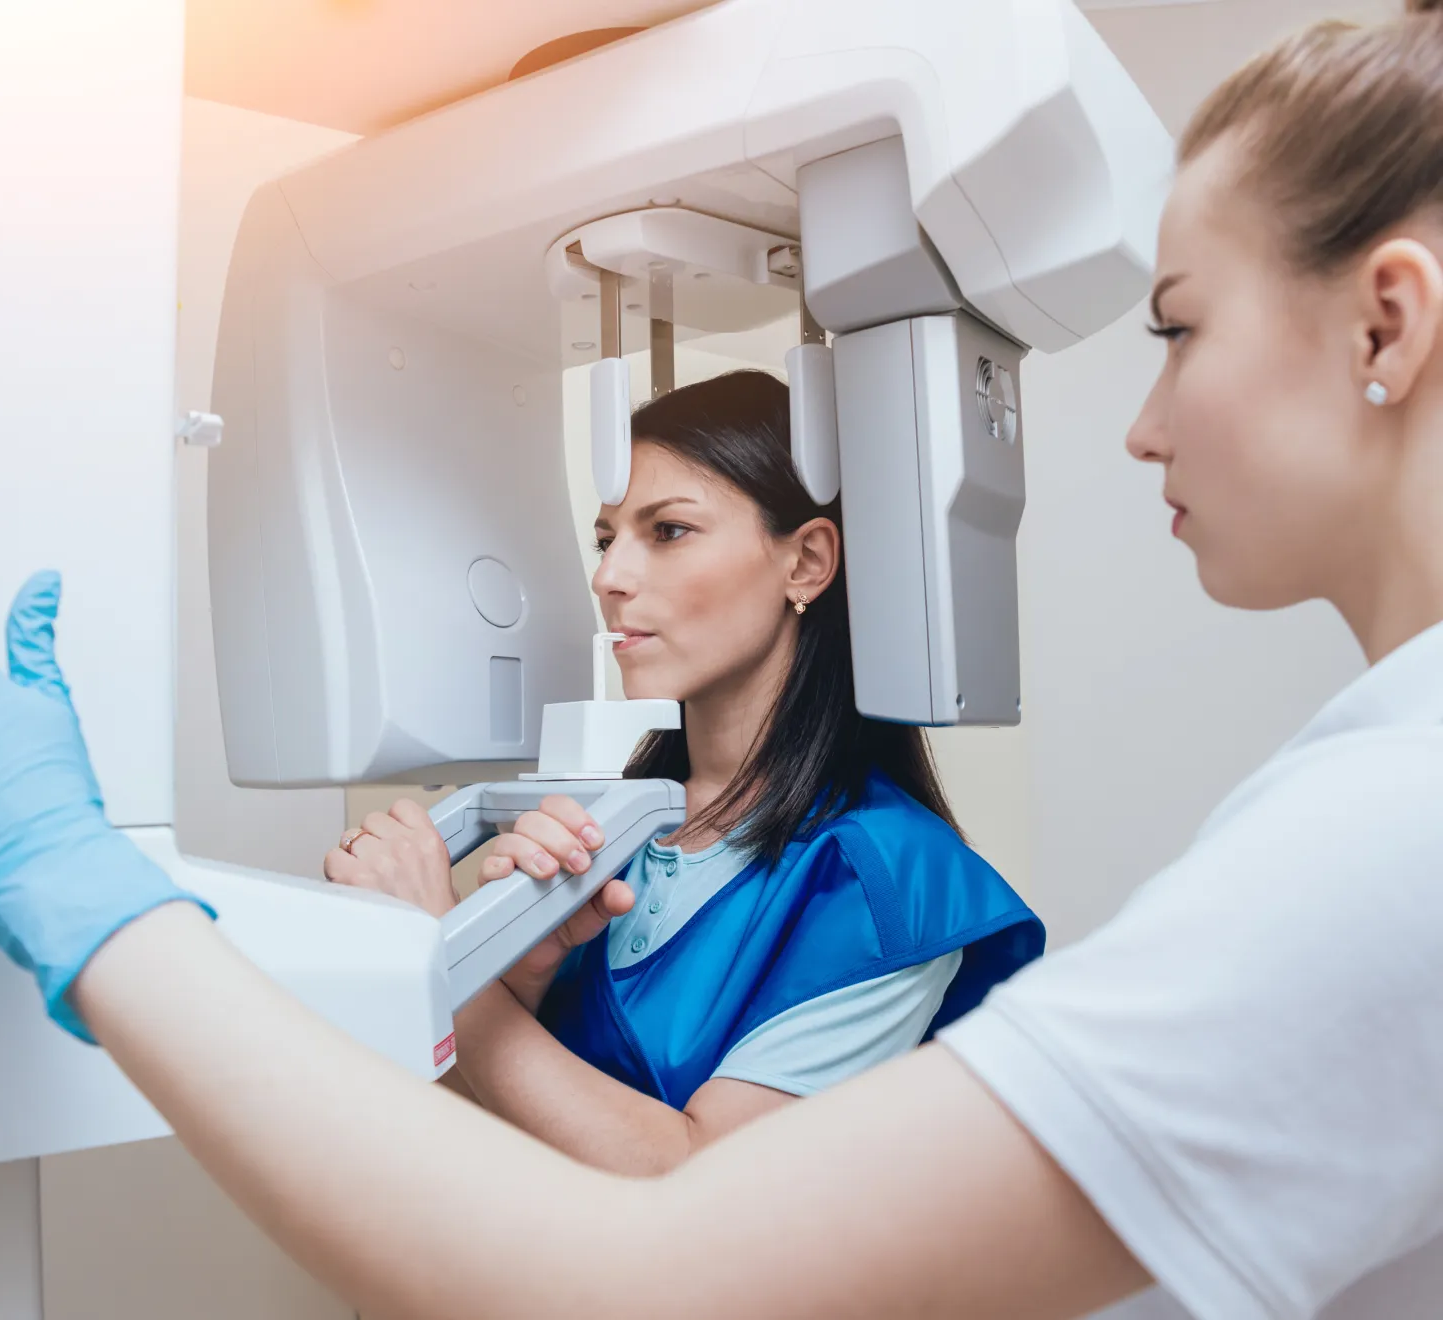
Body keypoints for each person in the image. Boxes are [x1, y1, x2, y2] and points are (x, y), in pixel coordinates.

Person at [0, 3, 1443, 1315]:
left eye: (1178, 329)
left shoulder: (1377, 831)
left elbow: (667, 1272)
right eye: (609, 527)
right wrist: (442, 954)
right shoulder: (592, 839)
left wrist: (62, 875)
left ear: (1388, 323)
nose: (1138, 429)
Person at [320, 372, 1042, 1174]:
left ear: (806, 561)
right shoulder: (603, 830)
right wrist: (515, 978)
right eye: (606, 539)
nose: (608, 577)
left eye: (666, 531)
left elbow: (700, 1180)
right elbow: (485, 1117)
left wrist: (442, 966)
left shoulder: (886, 879)